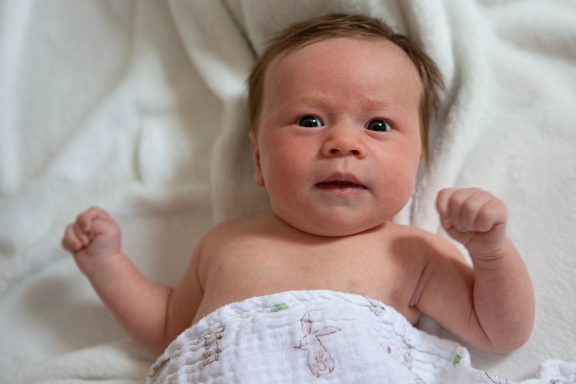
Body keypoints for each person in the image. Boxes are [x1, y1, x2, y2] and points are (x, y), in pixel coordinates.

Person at [62, 13, 535, 382]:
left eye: (377, 125)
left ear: (419, 161)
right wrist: (108, 267)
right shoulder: (225, 242)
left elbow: (500, 330)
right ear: (258, 161)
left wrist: (490, 253)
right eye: (310, 121)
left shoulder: (411, 251)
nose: (343, 143)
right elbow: (169, 326)